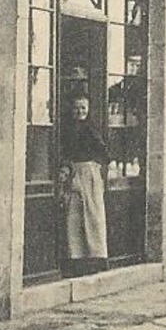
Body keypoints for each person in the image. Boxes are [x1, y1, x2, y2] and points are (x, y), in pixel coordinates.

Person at [62, 95, 109, 277]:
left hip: (89, 173)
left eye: (83, 108)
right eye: (76, 108)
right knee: (73, 215)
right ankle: (76, 257)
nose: (80, 112)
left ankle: (96, 257)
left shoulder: (92, 130)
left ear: (88, 110)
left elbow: (104, 153)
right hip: (73, 171)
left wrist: (93, 166)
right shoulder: (67, 129)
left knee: (92, 214)